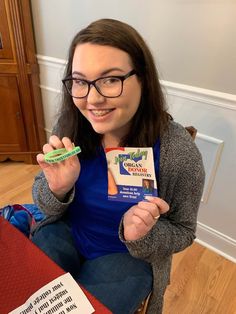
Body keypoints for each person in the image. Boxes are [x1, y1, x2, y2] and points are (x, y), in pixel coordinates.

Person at [31, 18, 205, 314]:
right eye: (80, 81)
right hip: (66, 233)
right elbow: (45, 205)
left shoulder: (177, 152)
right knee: (25, 293)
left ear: (143, 79)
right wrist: (58, 191)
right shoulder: (71, 124)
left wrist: (143, 233)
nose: (93, 99)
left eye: (111, 79)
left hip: (125, 256)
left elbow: (184, 231)